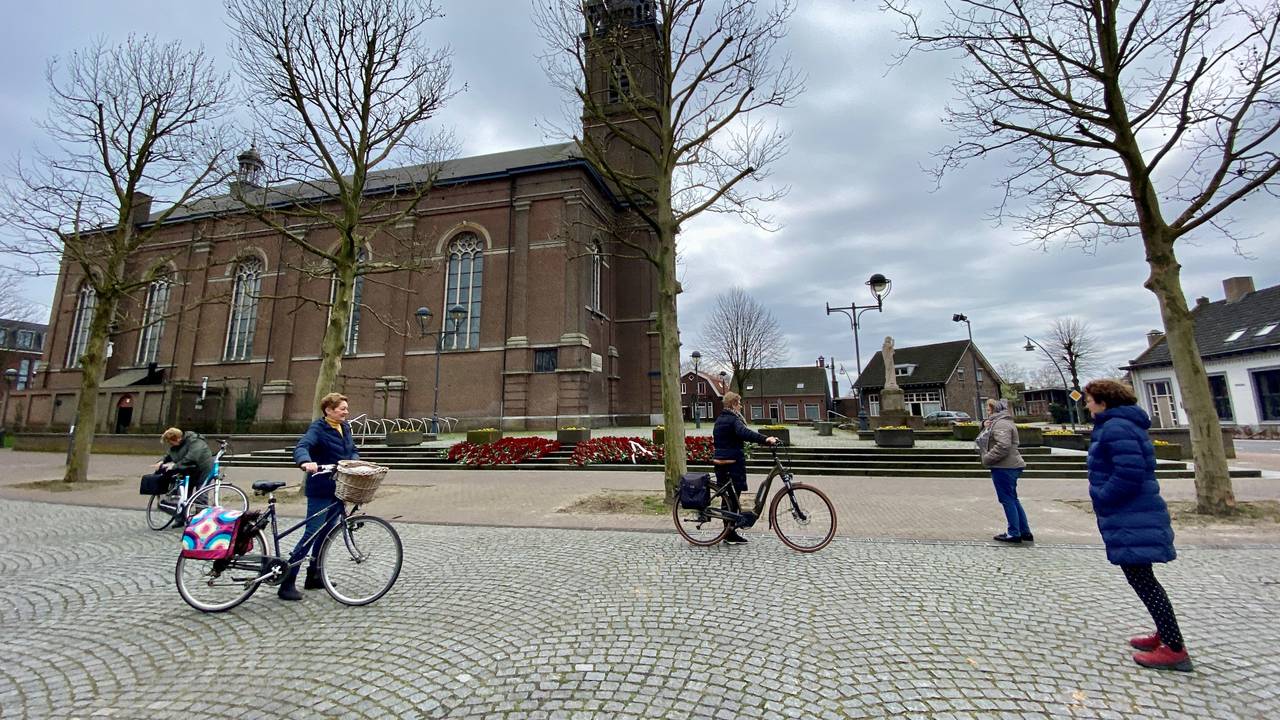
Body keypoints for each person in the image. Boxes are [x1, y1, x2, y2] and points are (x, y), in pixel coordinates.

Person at [1084, 379, 1192, 672]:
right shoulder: (1120, 425)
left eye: (1090, 399)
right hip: (1131, 512)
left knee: (1143, 579)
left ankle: (1174, 648)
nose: (1087, 405)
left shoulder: (1117, 427)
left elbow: (1129, 473)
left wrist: (1103, 497)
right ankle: (1165, 634)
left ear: (1104, 402)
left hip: (1130, 512)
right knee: (1142, 578)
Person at [281, 392, 359, 601]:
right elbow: (302, 446)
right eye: (342, 408)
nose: (346, 412)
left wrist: (354, 461)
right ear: (329, 410)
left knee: (326, 533)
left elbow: (352, 449)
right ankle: (287, 582)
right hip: (320, 488)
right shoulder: (318, 428)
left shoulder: (345, 427)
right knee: (312, 533)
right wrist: (306, 462)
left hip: (339, 487)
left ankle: (314, 575)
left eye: (346, 408)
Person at [712, 391, 779, 545]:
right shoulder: (732, 420)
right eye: (739, 403)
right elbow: (744, 433)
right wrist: (766, 439)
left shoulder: (722, 418)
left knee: (729, 498)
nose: (741, 406)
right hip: (731, 463)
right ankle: (729, 534)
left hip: (723, 461)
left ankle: (729, 532)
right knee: (731, 499)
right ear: (733, 404)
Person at [978, 399, 1031, 544]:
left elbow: (1003, 446)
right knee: (1013, 499)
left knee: (1007, 500)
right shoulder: (1001, 421)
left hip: (1004, 467)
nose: (987, 413)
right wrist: (983, 424)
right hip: (1009, 465)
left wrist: (987, 458)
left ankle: (1014, 532)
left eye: (988, 410)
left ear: (995, 410)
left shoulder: (1001, 424)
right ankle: (1024, 530)